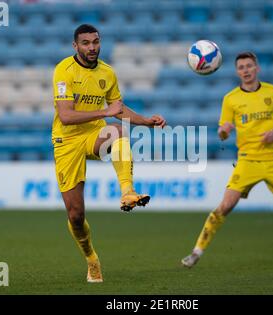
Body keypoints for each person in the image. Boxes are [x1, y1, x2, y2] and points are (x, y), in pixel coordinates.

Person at [181, 52, 273, 270]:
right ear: (237, 72)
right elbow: (222, 131)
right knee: (226, 206)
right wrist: (224, 131)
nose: (246, 70)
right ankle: (196, 252)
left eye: (249, 66)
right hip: (247, 160)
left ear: (257, 68)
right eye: (241, 67)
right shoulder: (230, 99)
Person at [52, 24, 166, 283]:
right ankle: (92, 259)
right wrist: (104, 112)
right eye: (85, 43)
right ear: (75, 46)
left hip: (93, 135)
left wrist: (147, 121)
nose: (92, 47)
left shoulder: (107, 72)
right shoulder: (64, 70)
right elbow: (66, 116)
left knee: (118, 132)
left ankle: (128, 192)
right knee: (76, 215)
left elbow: (118, 109)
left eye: (95, 41)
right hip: (66, 140)